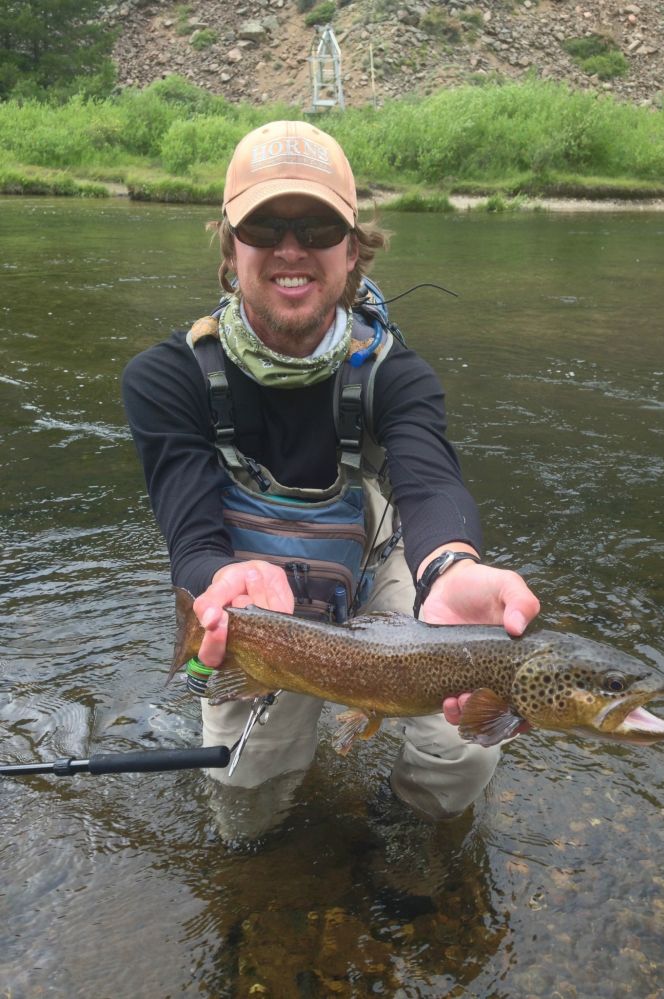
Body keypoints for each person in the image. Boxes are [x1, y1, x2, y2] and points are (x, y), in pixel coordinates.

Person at [122, 120, 540, 827]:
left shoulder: (394, 374)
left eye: (316, 227)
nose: (290, 249)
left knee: (464, 739)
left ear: (353, 251)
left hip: (375, 560)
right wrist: (209, 587)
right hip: (249, 587)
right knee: (245, 793)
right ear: (231, 247)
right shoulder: (166, 377)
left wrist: (451, 567)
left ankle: (404, 836)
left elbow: (429, 480)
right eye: (264, 226)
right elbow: (190, 531)